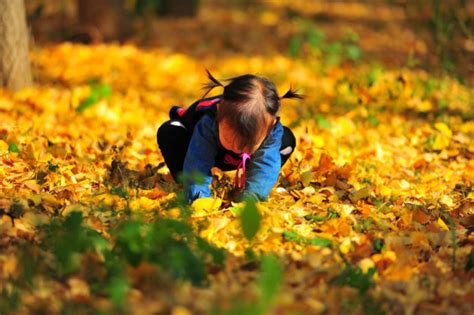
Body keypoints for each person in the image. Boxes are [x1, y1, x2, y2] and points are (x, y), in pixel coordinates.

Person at [157, 70, 302, 204]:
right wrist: (200, 200)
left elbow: (266, 163)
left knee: (286, 140)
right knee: (169, 131)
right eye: (231, 140)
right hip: (194, 147)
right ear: (219, 115)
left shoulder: (271, 128)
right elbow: (198, 161)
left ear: (270, 125)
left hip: (239, 160)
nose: (237, 149)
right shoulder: (209, 121)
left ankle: (250, 181)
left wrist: (251, 199)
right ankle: (184, 181)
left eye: (247, 144)